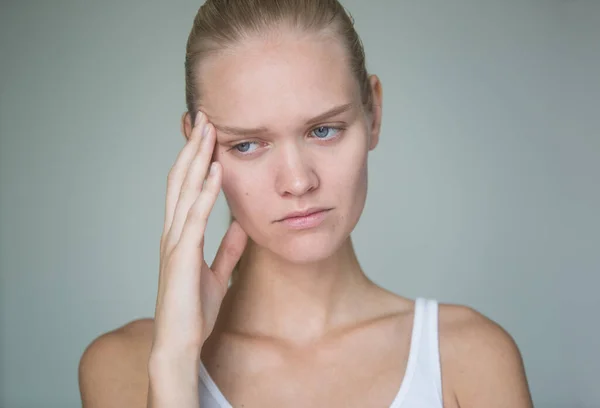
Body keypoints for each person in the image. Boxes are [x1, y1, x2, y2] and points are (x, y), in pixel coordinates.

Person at [78, 0, 534, 407]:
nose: (298, 181)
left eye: (323, 130)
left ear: (372, 113)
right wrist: (175, 361)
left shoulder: (470, 357)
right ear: (197, 150)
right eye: (247, 145)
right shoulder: (125, 366)